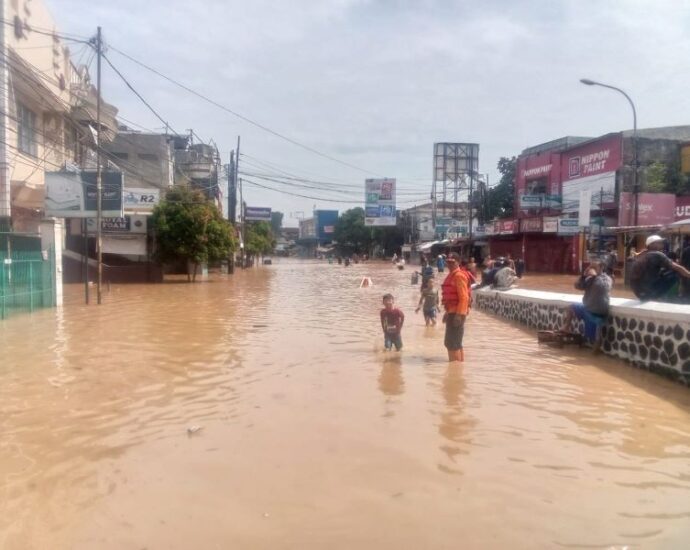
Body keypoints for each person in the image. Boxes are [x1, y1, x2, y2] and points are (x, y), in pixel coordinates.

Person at [561, 261, 611, 349]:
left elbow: (601, 287)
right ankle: (566, 327)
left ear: (601, 268)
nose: (593, 269)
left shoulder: (606, 279)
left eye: (595, 267)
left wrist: (595, 277)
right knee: (571, 307)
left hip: (598, 312)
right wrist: (584, 276)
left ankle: (593, 356)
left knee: (597, 339)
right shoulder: (590, 279)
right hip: (587, 308)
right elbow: (577, 286)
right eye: (592, 267)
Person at [630, 235, 690, 302]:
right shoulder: (657, 254)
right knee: (677, 272)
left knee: (667, 270)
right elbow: (678, 268)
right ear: (652, 244)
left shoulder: (641, 254)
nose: (662, 244)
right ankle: (684, 293)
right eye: (659, 242)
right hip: (648, 293)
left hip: (639, 293)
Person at [441, 252, 470, 362]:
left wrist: (459, 315)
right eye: (448, 262)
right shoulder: (451, 275)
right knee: (454, 342)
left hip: (457, 314)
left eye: (452, 262)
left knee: (452, 343)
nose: (449, 264)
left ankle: (455, 368)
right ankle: (459, 365)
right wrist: (447, 313)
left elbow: (464, 297)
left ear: (458, 262)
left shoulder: (459, 276)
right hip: (452, 312)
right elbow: (451, 300)